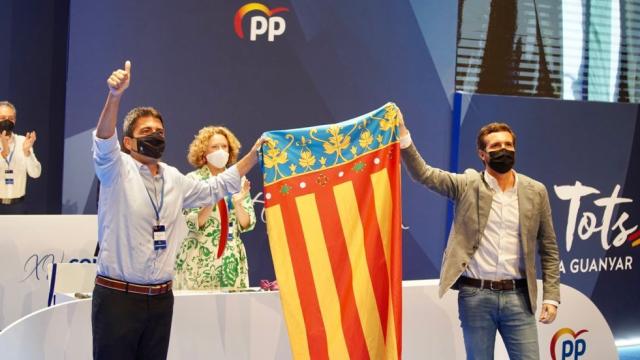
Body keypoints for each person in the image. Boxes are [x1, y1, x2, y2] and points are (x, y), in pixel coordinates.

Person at [91, 60, 263, 360]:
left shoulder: (173, 177)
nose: (155, 135)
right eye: (146, 130)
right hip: (118, 298)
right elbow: (104, 138)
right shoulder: (115, 168)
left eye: (159, 130)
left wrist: (252, 156)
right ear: (129, 141)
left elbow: (216, 187)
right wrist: (115, 96)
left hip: (160, 300)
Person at [398, 112, 560, 360]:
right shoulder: (466, 185)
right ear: (482, 154)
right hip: (476, 297)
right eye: (495, 146)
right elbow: (424, 174)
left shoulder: (535, 191)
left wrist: (551, 296)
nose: (503, 150)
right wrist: (403, 134)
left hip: (519, 297)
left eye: (508, 145)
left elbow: (549, 248)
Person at [175, 126, 256, 289]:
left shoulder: (238, 180)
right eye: (215, 147)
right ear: (204, 151)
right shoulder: (192, 180)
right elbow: (193, 222)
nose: (221, 151)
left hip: (231, 260)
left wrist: (238, 202)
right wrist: (214, 194)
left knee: (233, 312)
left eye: (224, 147)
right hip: (198, 259)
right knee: (198, 311)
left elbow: (247, 224)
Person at [0, 101, 41, 214]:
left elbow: (35, 174)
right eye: (2, 117)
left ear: (15, 120)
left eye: (10, 118)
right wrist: (4, 153)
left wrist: (27, 152)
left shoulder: (23, 141)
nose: (6, 121)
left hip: (18, 206)